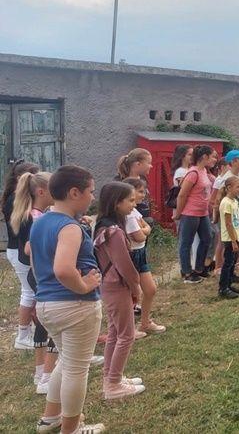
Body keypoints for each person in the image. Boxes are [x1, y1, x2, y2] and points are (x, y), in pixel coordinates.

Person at [31, 165, 105, 434]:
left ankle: (51, 418)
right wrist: (84, 285)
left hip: (47, 304)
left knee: (66, 361)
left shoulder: (40, 222)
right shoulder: (70, 227)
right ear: (74, 193)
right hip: (75, 305)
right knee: (76, 369)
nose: (92, 197)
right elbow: (63, 268)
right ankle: (71, 429)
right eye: (90, 192)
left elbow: (34, 260)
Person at [94, 182, 146, 400]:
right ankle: (113, 384)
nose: (134, 204)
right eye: (130, 200)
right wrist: (136, 286)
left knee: (115, 332)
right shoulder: (114, 232)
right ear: (116, 203)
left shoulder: (103, 226)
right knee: (126, 335)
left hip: (110, 284)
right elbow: (124, 265)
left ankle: (111, 377)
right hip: (117, 285)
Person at [10, 171, 56, 393]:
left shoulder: (33, 214)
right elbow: (29, 248)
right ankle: (46, 376)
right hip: (42, 273)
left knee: (44, 322)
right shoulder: (36, 217)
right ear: (41, 192)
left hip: (38, 273)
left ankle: (40, 372)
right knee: (52, 322)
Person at [2, 160, 40, 350]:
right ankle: (22, 336)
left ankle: (30, 331)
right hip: (18, 250)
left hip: (19, 249)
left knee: (31, 291)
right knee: (29, 292)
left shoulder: (19, 197)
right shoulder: (15, 199)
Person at [123, 178, 165, 336]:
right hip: (132, 255)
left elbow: (146, 226)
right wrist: (145, 229)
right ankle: (127, 329)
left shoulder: (134, 211)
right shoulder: (128, 215)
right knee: (131, 294)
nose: (144, 194)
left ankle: (145, 323)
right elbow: (140, 235)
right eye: (140, 191)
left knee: (150, 289)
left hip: (141, 253)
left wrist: (144, 229)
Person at [173, 145, 217, 284]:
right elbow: (182, 195)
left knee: (207, 237)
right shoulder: (193, 173)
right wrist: (178, 214)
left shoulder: (203, 171)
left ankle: (199, 268)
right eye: (212, 156)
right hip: (190, 213)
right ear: (204, 157)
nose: (214, 159)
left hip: (202, 213)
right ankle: (187, 272)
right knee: (186, 242)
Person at [213, 149, 239, 276]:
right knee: (223, 239)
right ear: (233, 162)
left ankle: (238, 261)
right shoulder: (226, 178)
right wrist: (217, 215)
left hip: (237, 209)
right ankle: (218, 266)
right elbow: (217, 197)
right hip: (227, 211)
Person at [218, 175, 239, 299]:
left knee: (233, 262)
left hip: (235, 236)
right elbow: (228, 224)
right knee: (228, 263)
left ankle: (229, 284)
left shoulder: (234, 201)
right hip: (229, 238)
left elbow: (236, 222)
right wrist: (233, 241)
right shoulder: (226, 203)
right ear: (229, 188)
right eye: (238, 187)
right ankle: (223, 288)